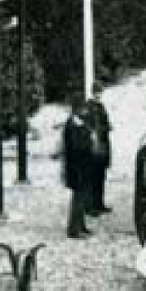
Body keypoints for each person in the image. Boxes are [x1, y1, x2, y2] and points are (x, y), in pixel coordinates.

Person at [62, 101, 98, 238]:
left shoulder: (79, 124)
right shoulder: (72, 126)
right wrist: (90, 140)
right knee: (78, 198)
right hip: (77, 169)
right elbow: (76, 147)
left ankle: (80, 226)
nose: (86, 112)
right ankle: (74, 229)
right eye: (83, 109)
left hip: (83, 167)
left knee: (82, 198)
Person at [84, 84, 113, 214]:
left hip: (102, 146)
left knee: (100, 177)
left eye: (100, 92)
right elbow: (90, 128)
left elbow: (104, 124)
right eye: (96, 92)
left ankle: (99, 204)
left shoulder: (100, 107)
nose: (98, 94)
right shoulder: (89, 107)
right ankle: (90, 206)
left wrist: (106, 127)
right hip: (93, 148)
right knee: (92, 179)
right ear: (93, 92)